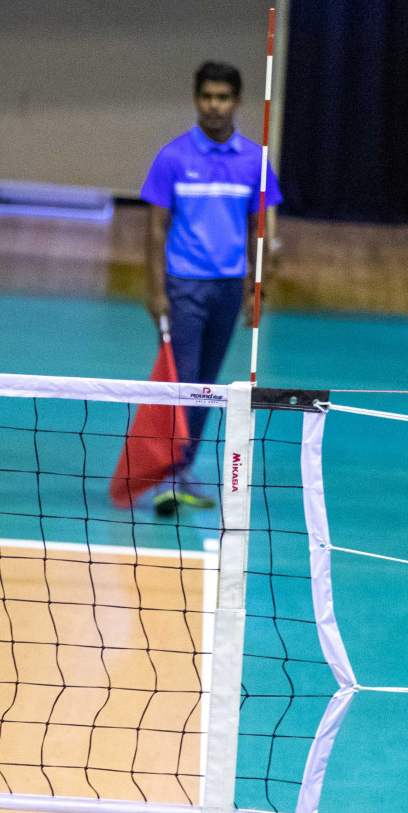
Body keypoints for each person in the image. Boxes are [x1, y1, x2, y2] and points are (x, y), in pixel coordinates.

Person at [141, 60, 282, 514]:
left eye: (222, 97)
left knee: (205, 385)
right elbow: (156, 229)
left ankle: (183, 469)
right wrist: (155, 289)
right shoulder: (173, 158)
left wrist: (257, 288)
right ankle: (169, 474)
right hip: (184, 287)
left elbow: (262, 228)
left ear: (237, 102)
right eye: (206, 97)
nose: (214, 106)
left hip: (227, 289)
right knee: (180, 382)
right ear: (196, 99)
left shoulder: (254, 161)